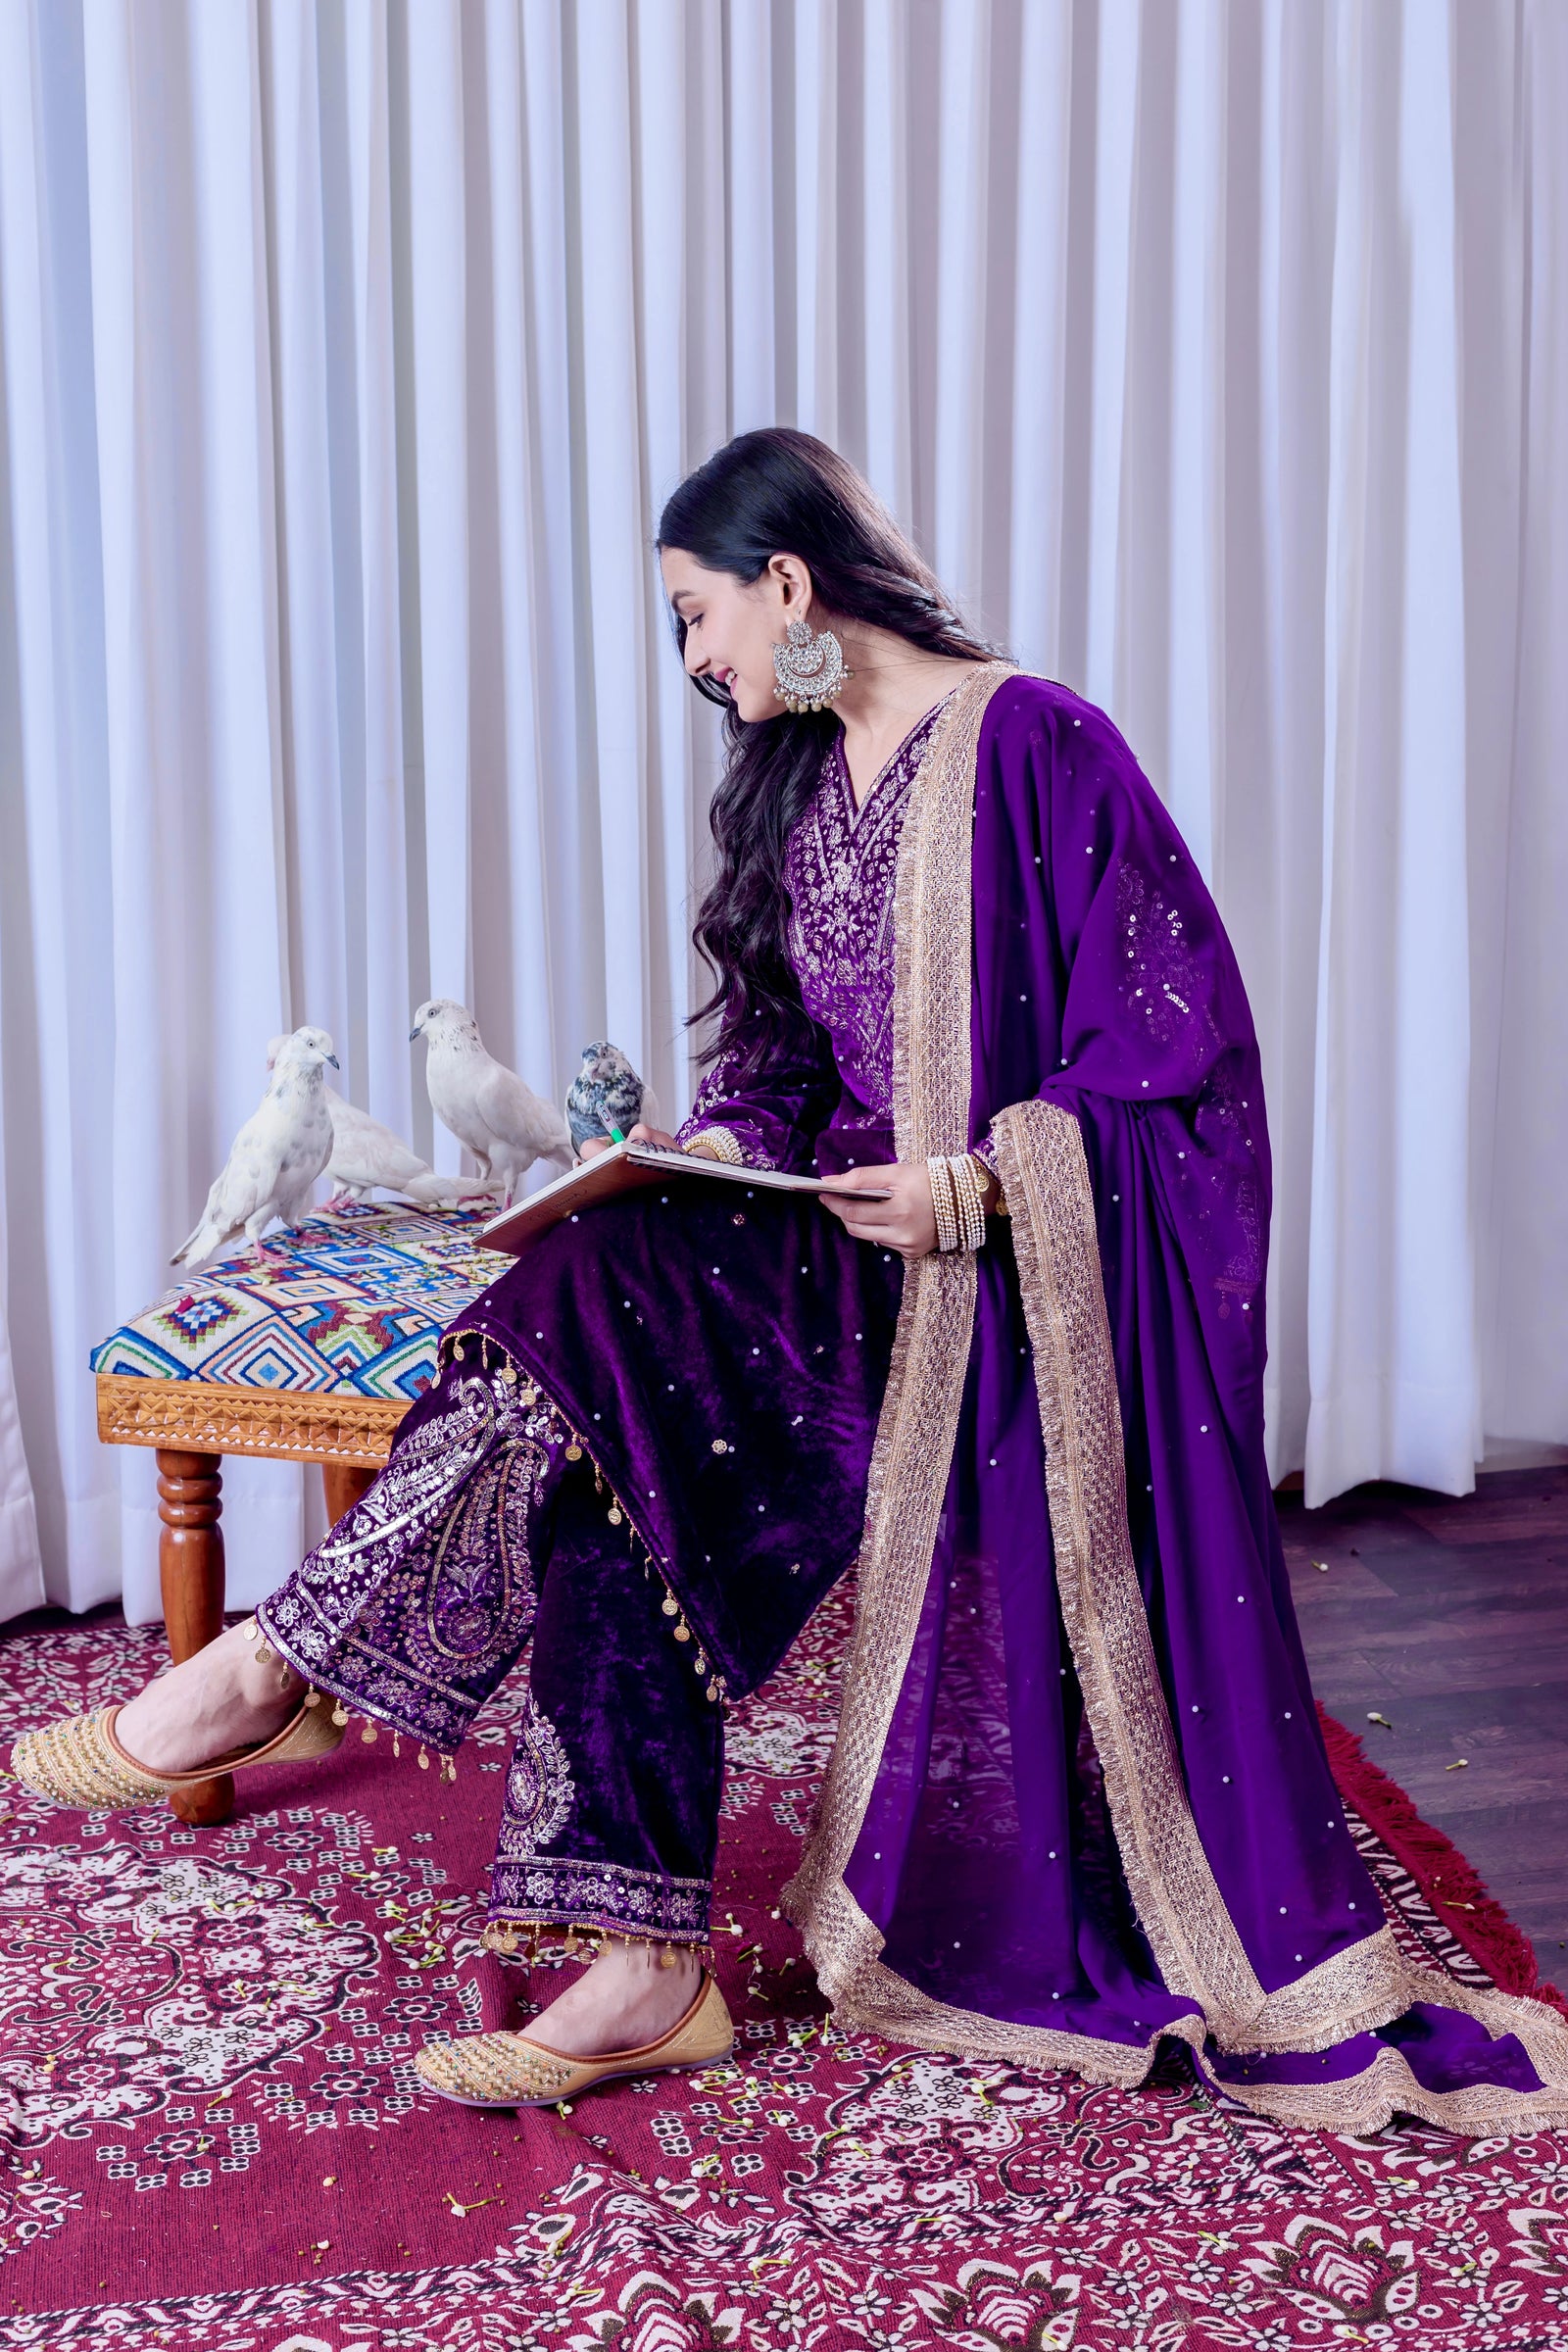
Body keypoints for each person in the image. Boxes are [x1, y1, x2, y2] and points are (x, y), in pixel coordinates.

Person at [17, 430, 1568, 2132]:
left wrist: (978, 1190)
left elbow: (1186, 1065)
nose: (696, 662)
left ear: (788, 580)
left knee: (594, 1311)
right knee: (604, 1433)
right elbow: (775, 1063)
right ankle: (640, 1975)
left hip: (981, 1288)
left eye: (700, 618)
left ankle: (282, 1670)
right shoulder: (793, 781)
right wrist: (710, 1148)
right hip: (823, 1245)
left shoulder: (1034, 743)